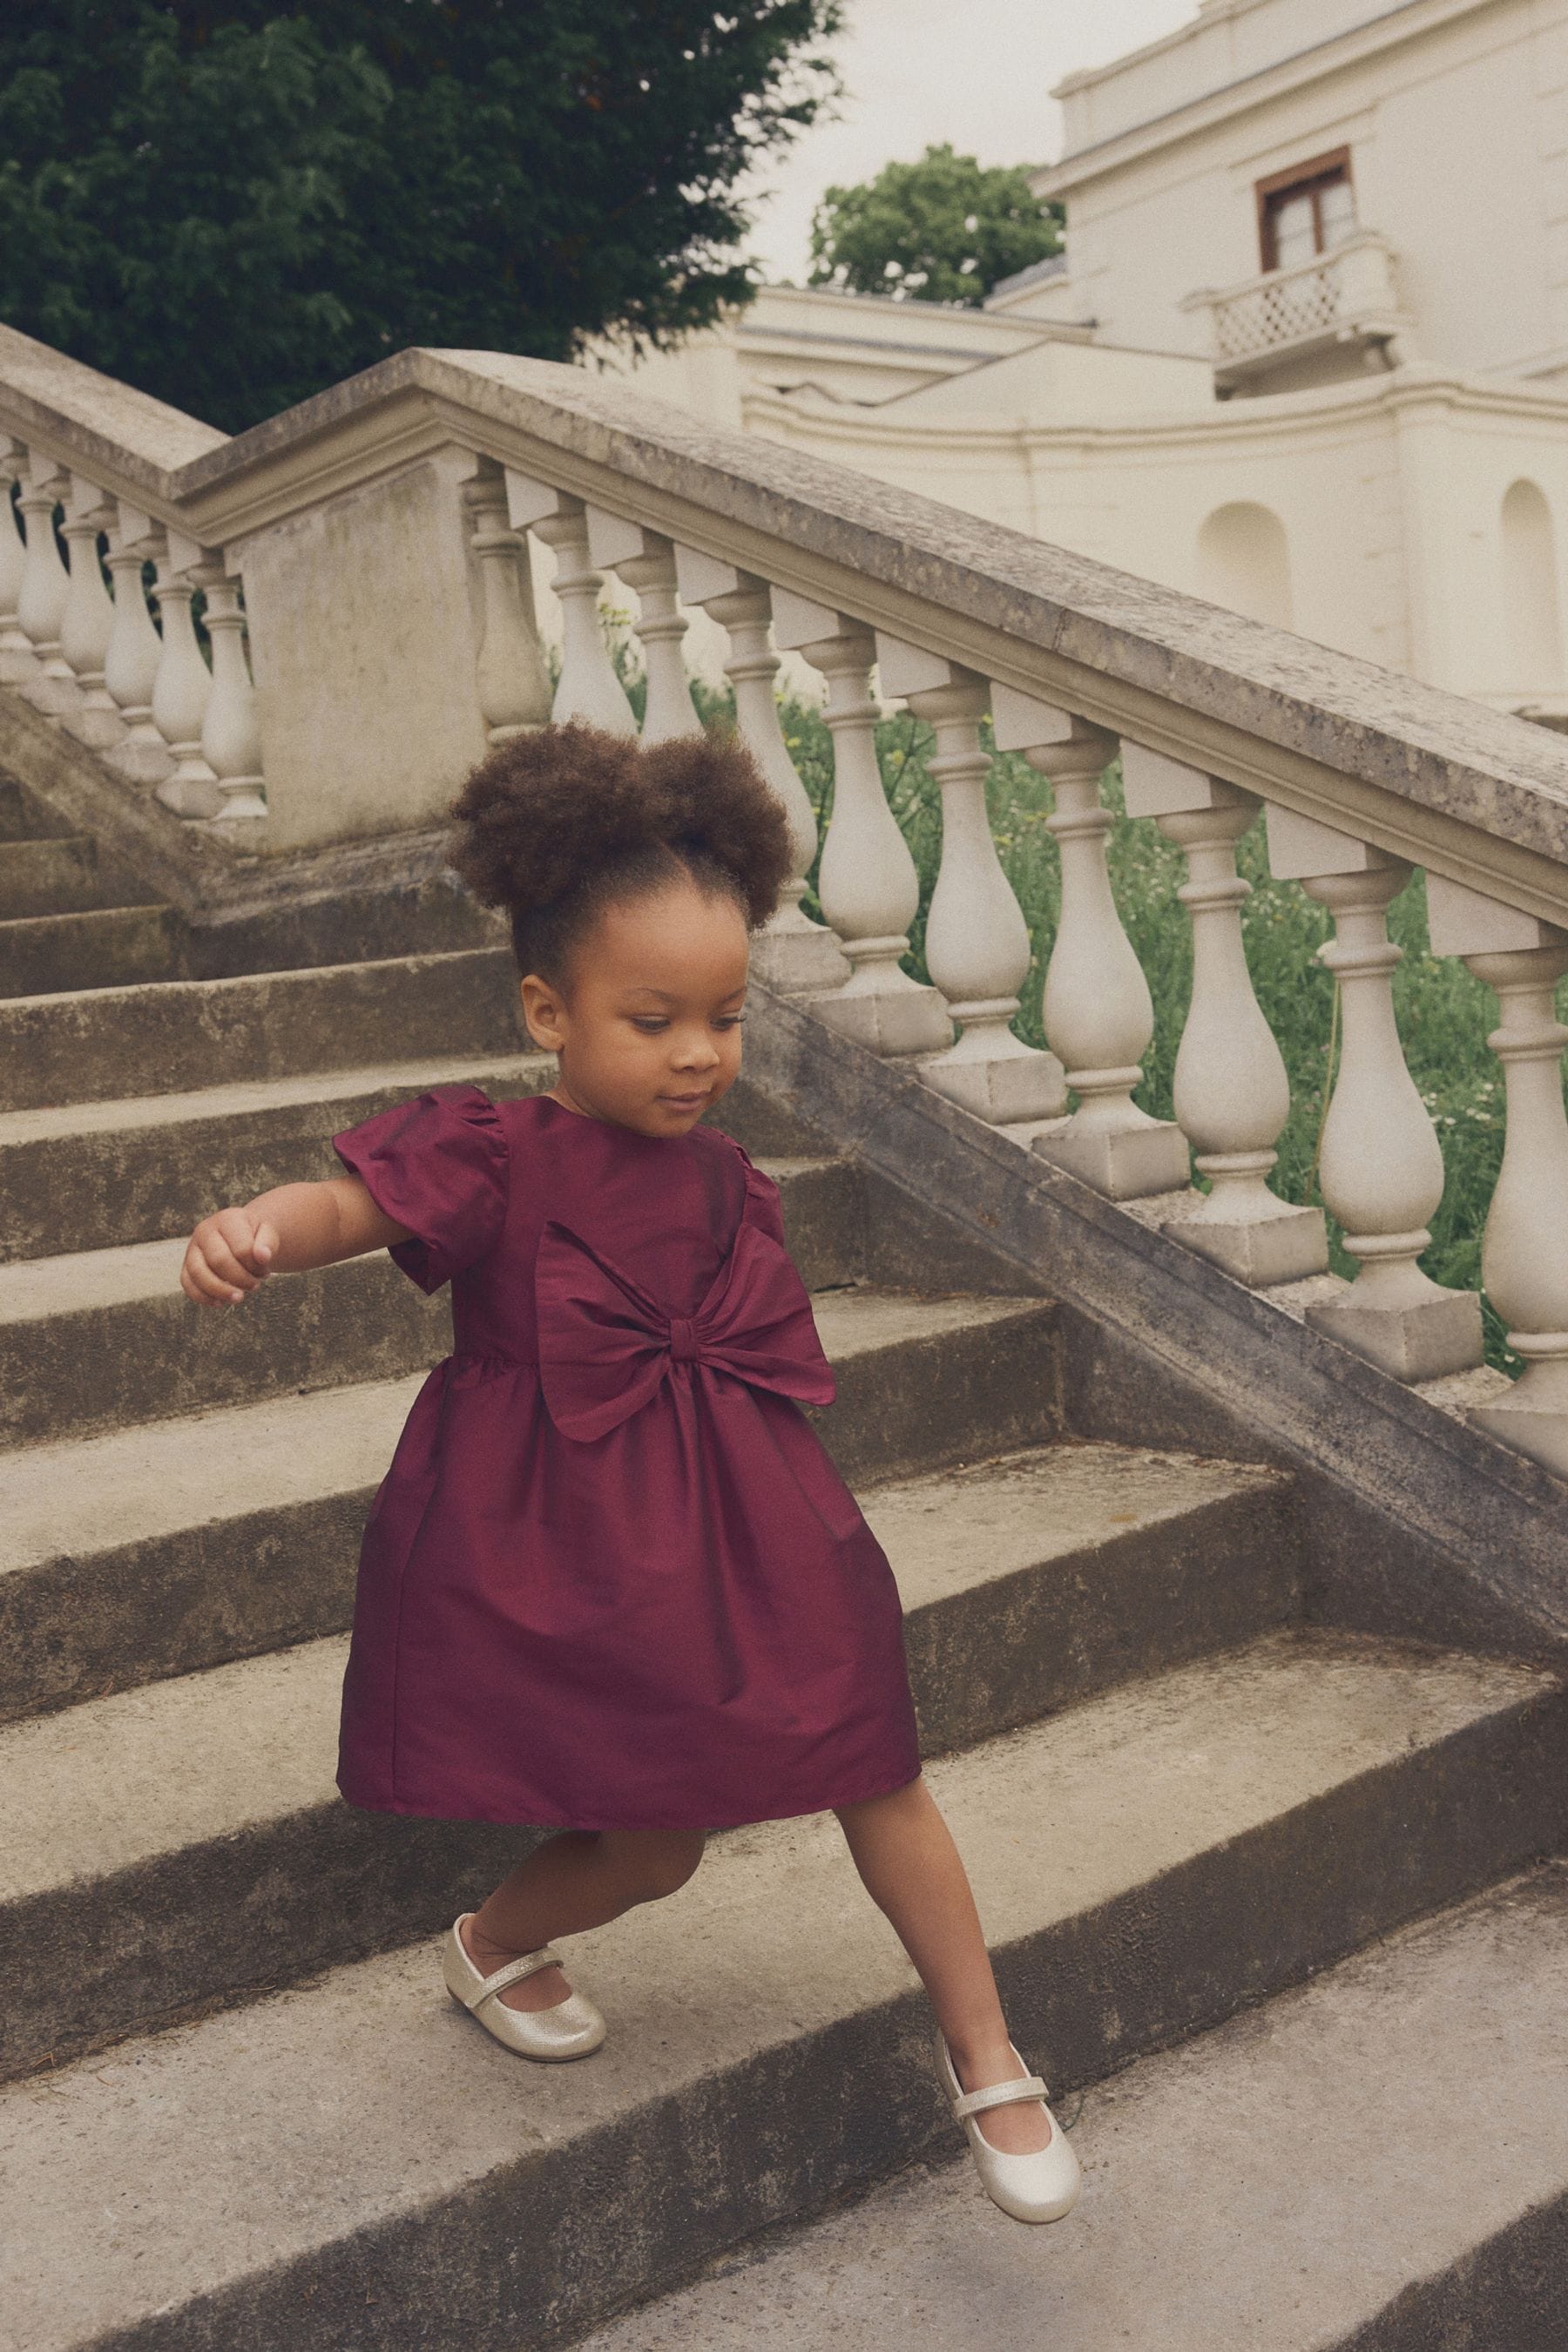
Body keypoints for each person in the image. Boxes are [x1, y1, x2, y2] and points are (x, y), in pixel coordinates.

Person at [179, 720, 1081, 2227]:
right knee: (657, 1847)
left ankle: (988, 2054)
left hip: (751, 1520)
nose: (698, 1054)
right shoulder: (496, 1154)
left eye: (724, 1017)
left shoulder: (731, 1177)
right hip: (573, 1540)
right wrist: (258, 1230)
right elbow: (350, 1204)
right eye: (653, 1017)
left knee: (877, 1756)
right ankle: (487, 1944)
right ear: (550, 1009)